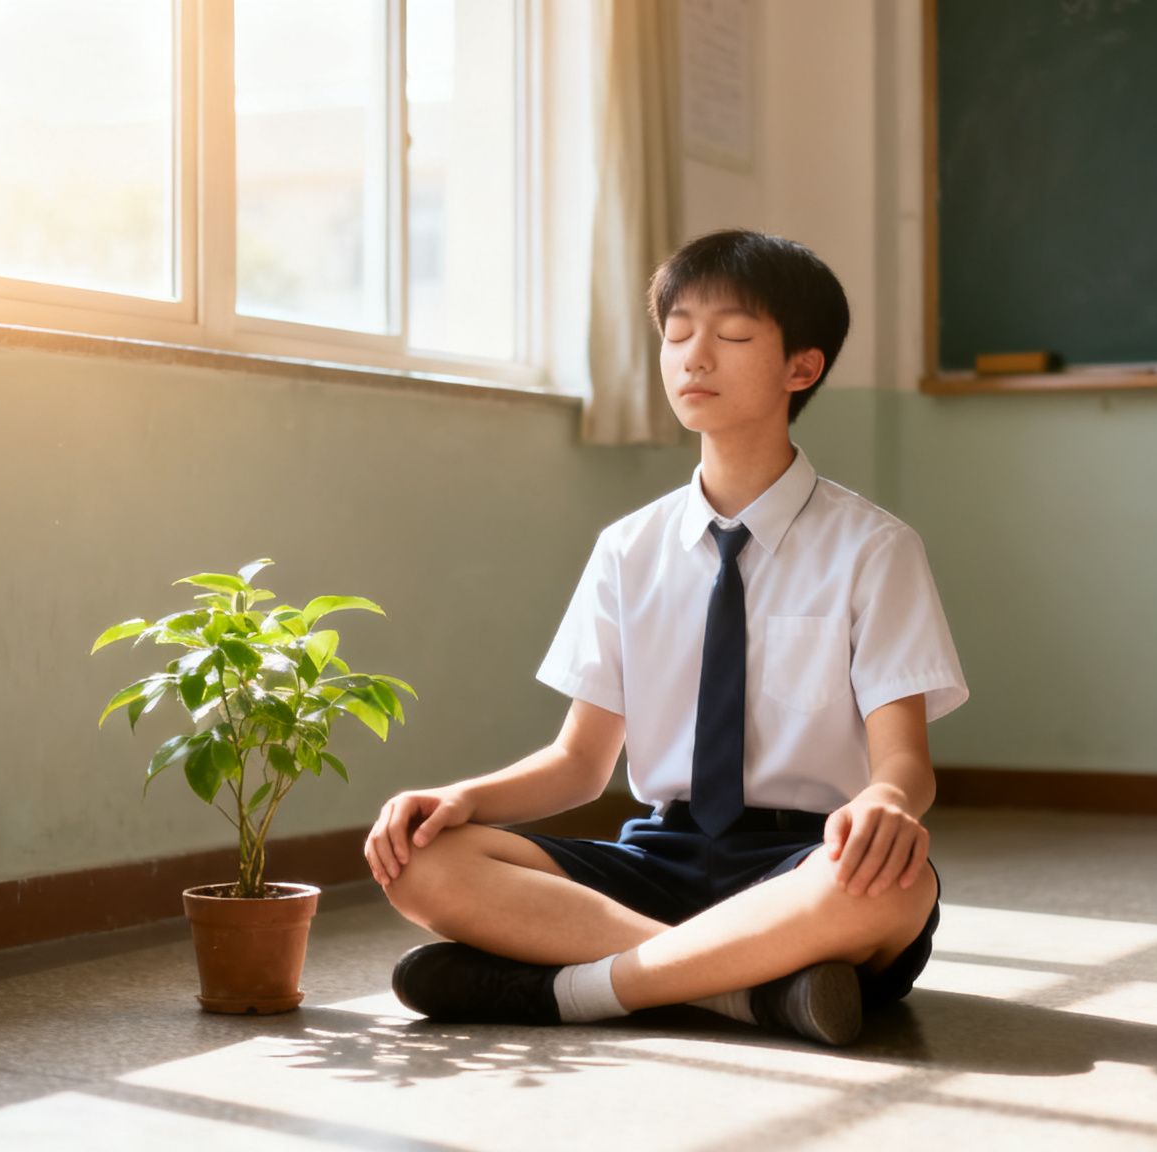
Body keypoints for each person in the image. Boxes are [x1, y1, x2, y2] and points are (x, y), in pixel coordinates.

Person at [364, 229, 968, 1047]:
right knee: (427, 862)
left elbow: (903, 764)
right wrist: (464, 798)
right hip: (660, 859)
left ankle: (579, 989)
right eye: (677, 333)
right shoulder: (628, 548)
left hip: (801, 864)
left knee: (894, 888)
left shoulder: (874, 549)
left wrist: (887, 803)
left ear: (802, 367)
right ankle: (748, 992)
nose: (695, 358)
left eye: (733, 336)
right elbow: (579, 764)